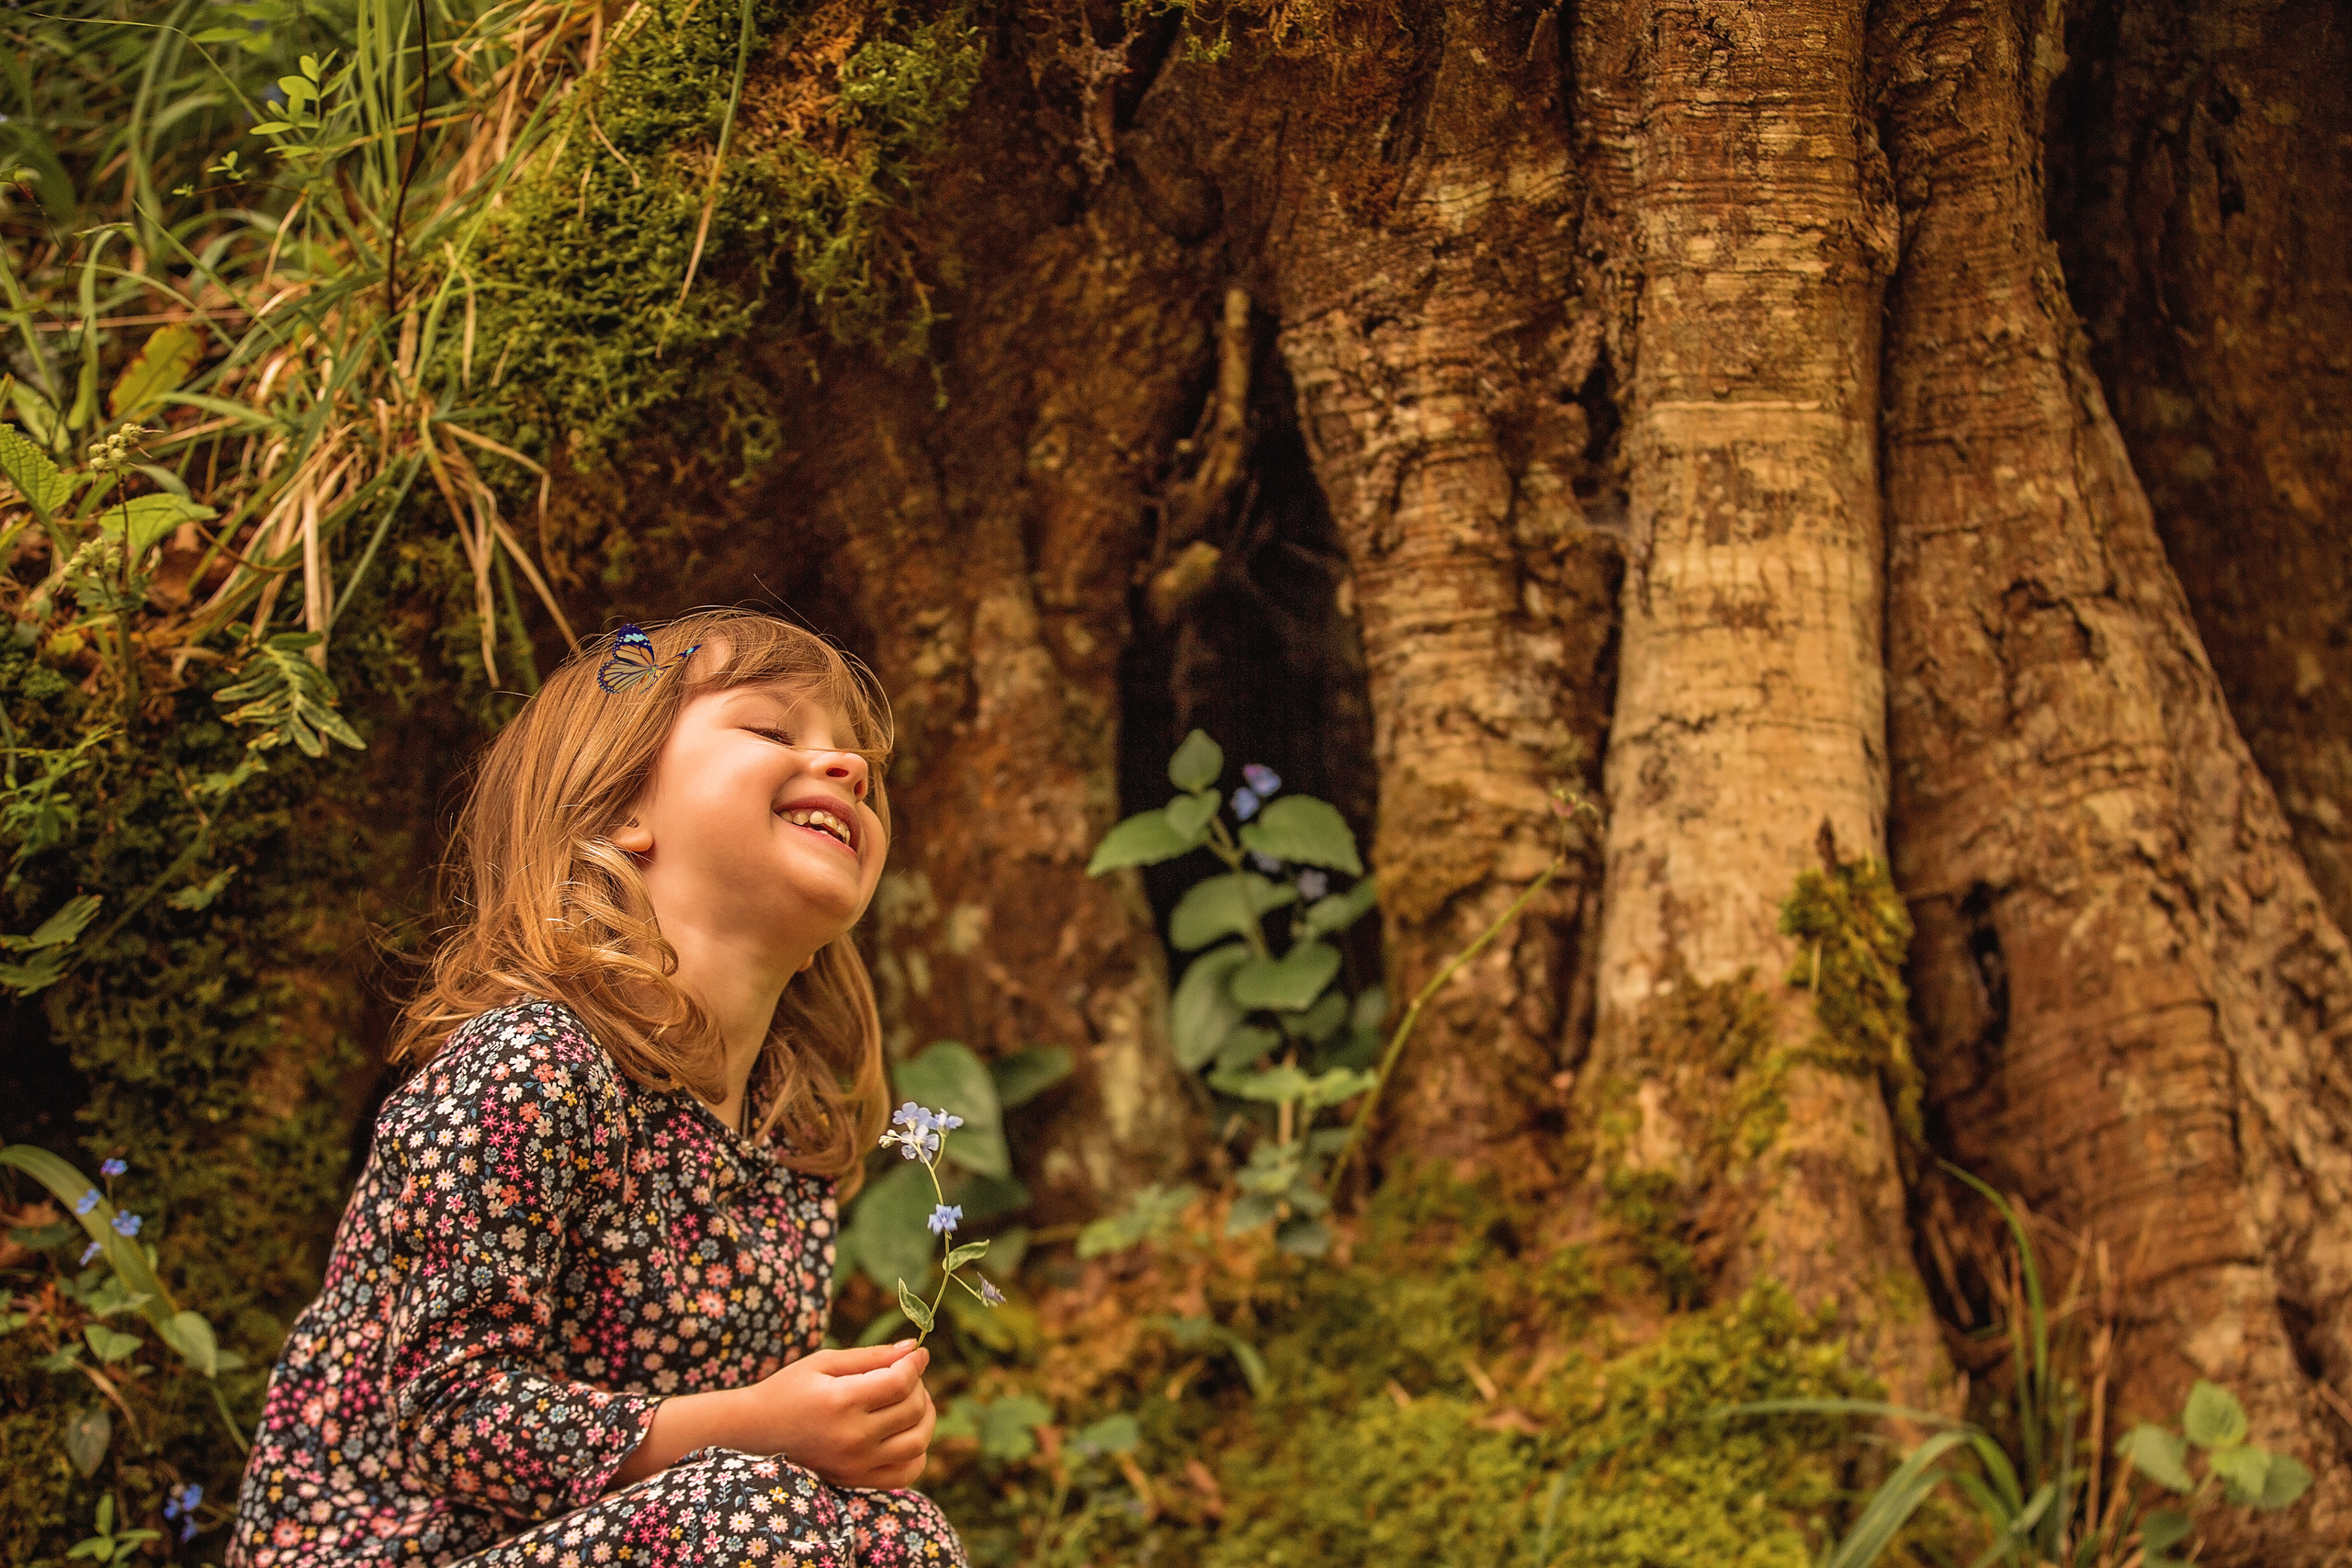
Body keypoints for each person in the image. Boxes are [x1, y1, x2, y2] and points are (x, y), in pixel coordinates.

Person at [228, 611, 963, 1567]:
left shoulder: (791, 1141)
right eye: (773, 730)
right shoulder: (526, 1069)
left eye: (857, 756)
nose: (849, 770)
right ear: (623, 808)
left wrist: (831, 1434)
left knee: (900, 1533)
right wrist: (751, 1427)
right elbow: (450, 1414)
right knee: (754, 1511)